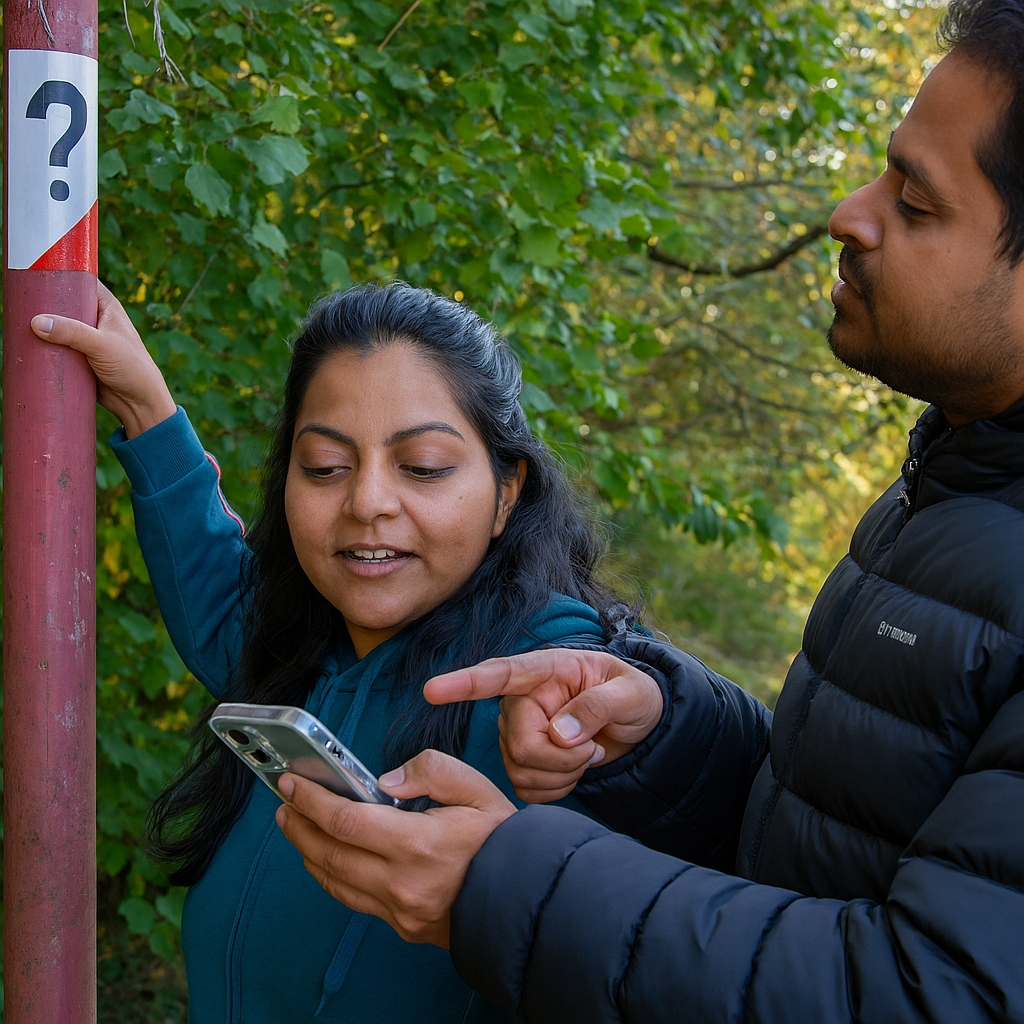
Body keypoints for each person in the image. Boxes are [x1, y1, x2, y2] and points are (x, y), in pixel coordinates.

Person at [271, 2, 1024, 1021]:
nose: (850, 213)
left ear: (509, 490)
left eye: (917, 201)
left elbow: (938, 992)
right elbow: (819, 844)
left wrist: (503, 885)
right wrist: (662, 734)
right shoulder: (943, 490)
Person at [30, 281, 639, 1022]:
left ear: (507, 493)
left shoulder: (539, 690)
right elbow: (219, 595)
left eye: (422, 467)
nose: (367, 502)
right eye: (324, 466)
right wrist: (149, 413)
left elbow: (614, 718)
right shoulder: (292, 657)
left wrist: (620, 717)